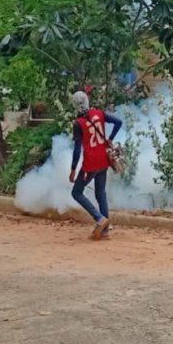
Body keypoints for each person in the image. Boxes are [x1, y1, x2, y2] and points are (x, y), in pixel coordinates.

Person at [68, 90, 122, 240]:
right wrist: (110, 138)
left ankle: (99, 219)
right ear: (87, 101)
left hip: (90, 164)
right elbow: (118, 122)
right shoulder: (99, 113)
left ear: (75, 105)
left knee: (76, 192)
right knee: (101, 193)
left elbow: (77, 150)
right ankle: (104, 232)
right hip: (104, 160)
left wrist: (73, 169)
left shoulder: (78, 124)